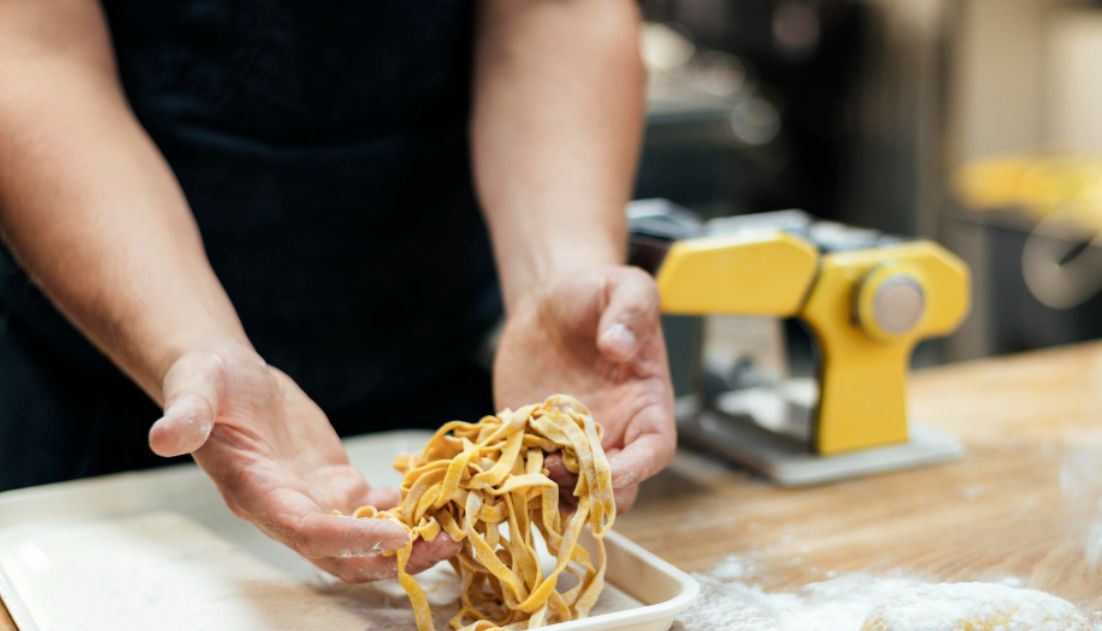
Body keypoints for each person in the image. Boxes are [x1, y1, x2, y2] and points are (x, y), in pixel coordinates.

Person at [0, 1, 675, 582]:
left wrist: (557, 276)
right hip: (107, 393)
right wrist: (191, 342)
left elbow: (555, 11)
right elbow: (32, 59)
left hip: (438, 363)